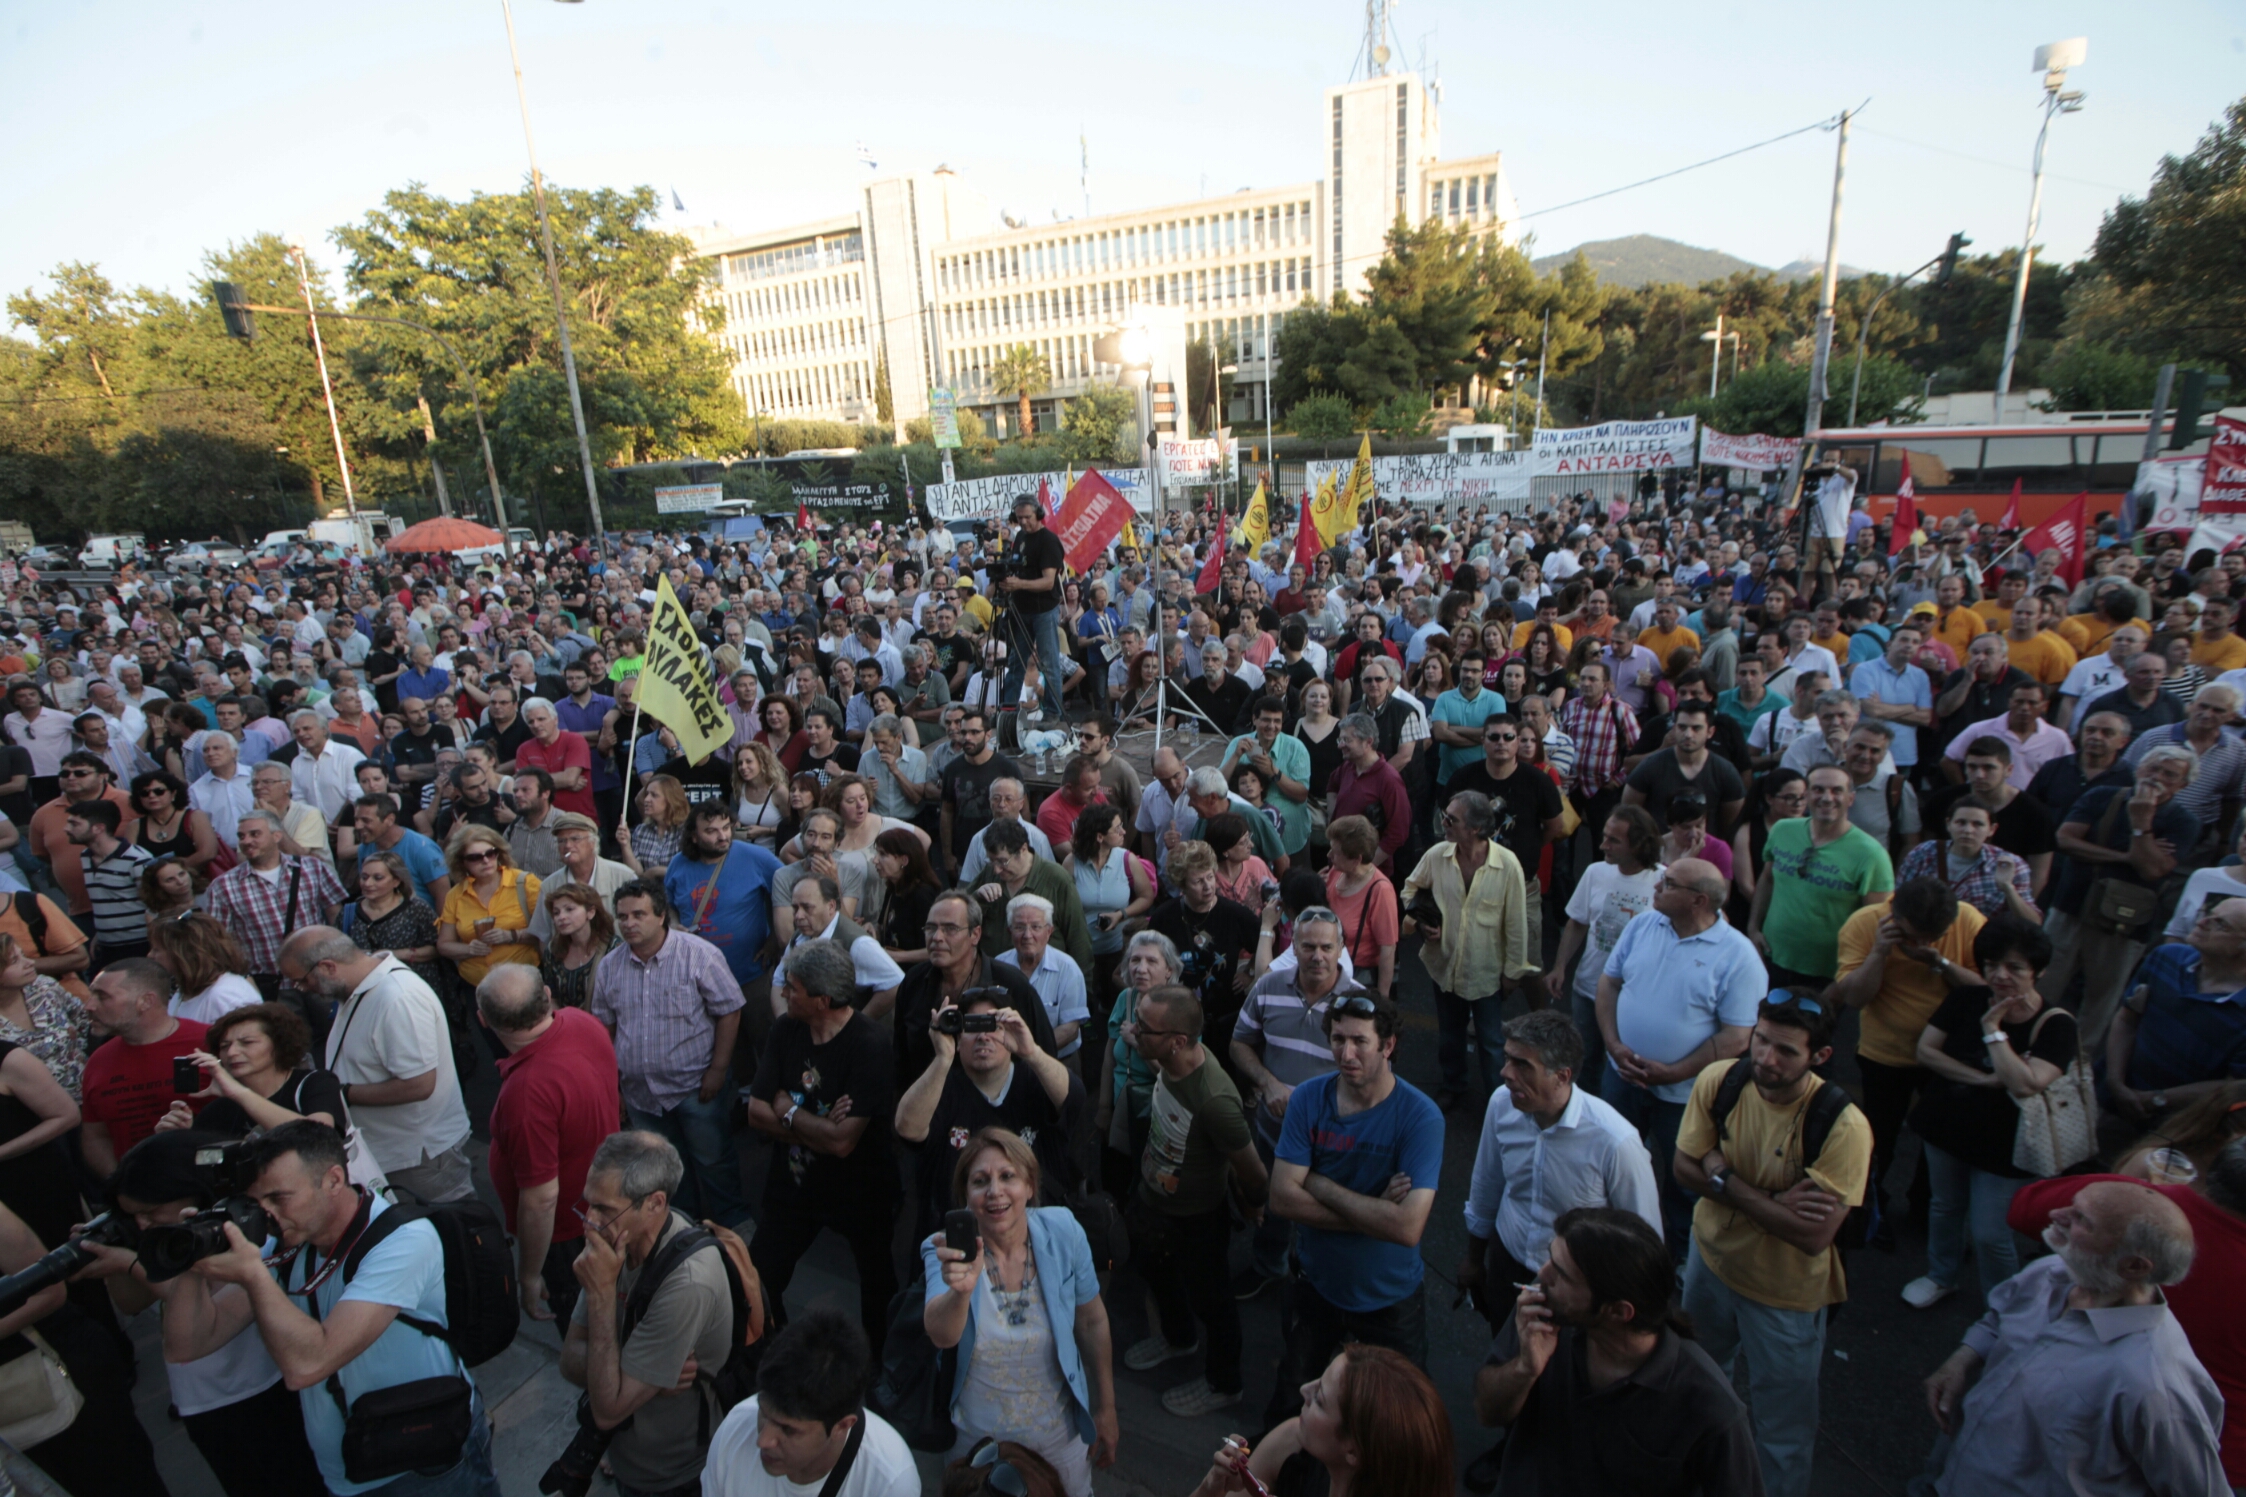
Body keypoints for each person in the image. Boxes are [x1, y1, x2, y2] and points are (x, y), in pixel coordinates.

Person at [161, 1120, 503, 1497]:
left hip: (425, 1461)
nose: (267, 1215)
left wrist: (253, 1275)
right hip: (350, 1467)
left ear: (334, 1180)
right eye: (257, 1202)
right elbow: (189, 1345)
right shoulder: (286, 1243)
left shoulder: (402, 1241)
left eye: (279, 1198)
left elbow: (310, 1364)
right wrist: (192, 1260)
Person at [1670, 995, 1871, 1497]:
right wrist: (1774, 1201)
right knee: (1700, 1392)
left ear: (1820, 1057)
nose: (1764, 1059)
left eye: (1785, 1050)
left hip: (1785, 1301)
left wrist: (1723, 1176)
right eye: (1760, 1041)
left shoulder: (1844, 1128)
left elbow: (1812, 1236)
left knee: (1782, 1434)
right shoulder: (1723, 1080)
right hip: (1709, 1267)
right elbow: (1681, 1168)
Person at [1918, 1181, 2224, 1496]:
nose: (2056, 1214)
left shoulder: (2154, 1387)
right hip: (1948, 1473)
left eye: (2081, 1219)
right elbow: (1999, 1317)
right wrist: (1963, 1359)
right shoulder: (2053, 1271)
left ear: (2134, 1265)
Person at [76, 1131, 329, 1497]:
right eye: (133, 1216)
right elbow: (131, 1304)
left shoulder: (255, 1234)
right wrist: (110, 1258)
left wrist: (132, 1263)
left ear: (193, 1194)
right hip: (202, 1400)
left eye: (150, 1212)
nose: (144, 1225)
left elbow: (206, 1317)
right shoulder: (157, 1235)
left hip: (259, 1390)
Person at [1472, 1207, 1760, 1497]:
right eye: (1551, 1258)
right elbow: (1487, 1412)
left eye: (1561, 1274)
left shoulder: (1709, 1405)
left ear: (1619, 1312)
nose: (1542, 1274)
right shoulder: (1544, 1313)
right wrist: (1525, 1369)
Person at [1263, 994, 1442, 1428]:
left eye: (1360, 1041)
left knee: (1396, 1421)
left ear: (1388, 1045)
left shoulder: (1420, 1117)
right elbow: (1283, 1198)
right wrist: (1373, 1211)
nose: (1346, 1054)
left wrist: (1321, 1185)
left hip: (1389, 1300)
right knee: (1293, 1402)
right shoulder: (1308, 1099)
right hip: (1317, 1285)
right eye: (1338, 1039)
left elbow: (1406, 1227)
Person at [923, 1126, 1119, 1497]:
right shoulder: (945, 1250)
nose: (994, 1191)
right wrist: (961, 1291)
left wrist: (1106, 1407)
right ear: (966, 1196)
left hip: (1058, 1440)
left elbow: (1092, 1321)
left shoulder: (1064, 1231)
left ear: (1030, 1187)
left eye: (1007, 1176)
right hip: (979, 1447)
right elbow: (941, 1334)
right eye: (980, 1181)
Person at [1596, 857, 1763, 1258]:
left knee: (1683, 1183)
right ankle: (1608, 1245)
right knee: (1608, 1165)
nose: (1656, 886)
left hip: (1686, 1098)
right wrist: (1613, 1044)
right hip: (1621, 1078)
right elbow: (1609, 983)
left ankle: (1683, 1263)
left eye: (1668, 883)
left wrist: (1673, 1073)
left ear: (1698, 901)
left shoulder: (1739, 958)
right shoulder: (1642, 925)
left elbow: (1737, 1037)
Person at [561, 1130, 741, 1497]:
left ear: (656, 1204)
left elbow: (608, 1409)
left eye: (605, 1210)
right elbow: (569, 1360)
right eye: (588, 1204)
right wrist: (640, 1373)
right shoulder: (616, 1243)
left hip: (674, 1476)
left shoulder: (690, 1283)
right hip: (629, 1458)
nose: (589, 1222)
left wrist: (600, 1298)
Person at [743, 937, 898, 1348]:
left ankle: (879, 1364)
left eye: (793, 988)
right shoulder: (786, 1029)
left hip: (863, 1192)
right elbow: (756, 1111)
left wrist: (790, 1111)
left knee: (877, 1282)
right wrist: (818, 1127)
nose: (783, 994)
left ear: (822, 1000)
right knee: (759, 1277)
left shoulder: (869, 1044)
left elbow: (844, 1144)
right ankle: (774, 1348)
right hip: (794, 1187)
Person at [280, 927, 475, 1203]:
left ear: (327, 967)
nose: (302, 990)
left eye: (301, 981)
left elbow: (419, 1085)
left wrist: (342, 1093)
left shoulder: (398, 998)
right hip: (394, 1153)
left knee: (450, 1233)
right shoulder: (363, 988)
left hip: (418, 1158)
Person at [594, 880, 748, 1226]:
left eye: (638, 914)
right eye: (622, 917)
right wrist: (614, 1086)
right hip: (640, 1094)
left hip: (694, 1087)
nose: (629, 923)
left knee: (713, 1162)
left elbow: (730, 1010)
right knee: (665, 1170)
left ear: (661, 916)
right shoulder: (610, 966)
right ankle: (682, 1229)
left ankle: (734, 1227)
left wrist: (718, 1069)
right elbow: (605, 1028)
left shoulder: (699, 954)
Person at [477, 964, 618, 1329]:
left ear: (484, 1021)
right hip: (607, 1203)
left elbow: (541, 1199)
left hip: (570, 1236)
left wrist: (529, 1275)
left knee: (587, 1331)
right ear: (547, 996)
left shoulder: (527, 1094)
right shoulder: (580, 1021)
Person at [2042, 744, 2200, 1049]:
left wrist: (2141, 823)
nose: (2156, 777)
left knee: (2103, 997)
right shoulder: (2101, 796)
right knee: (2045, 980)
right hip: (2071, 906)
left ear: (2183, 785)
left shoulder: (2184, 822)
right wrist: (2127, 857)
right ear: (2138, 769)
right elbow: (2065, 839)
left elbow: (2153, 870)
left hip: (2125, 922)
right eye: (2152, 768)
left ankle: (2078, 1059)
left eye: (2169, 774)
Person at [895, 986, 1083, 1239]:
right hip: (962, 1233)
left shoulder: (1034, 1077)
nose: (983, 1036)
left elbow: (1074, 1100)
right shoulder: (941, 1084)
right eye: (972, 1026)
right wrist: (942, 1059)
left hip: (1036, 1233)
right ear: (958, 1037)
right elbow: (907, 1129)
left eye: (993, 1025)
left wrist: (1032, 1052)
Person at [1401, 790, 1534, 1111]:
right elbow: (1410, 889)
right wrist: (1420, 923)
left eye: (1451, 819)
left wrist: (1513, 972)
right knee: (1450, 1035)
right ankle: (1453, 1084)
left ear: (1475, 829)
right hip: (1443, 966)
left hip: (1486, 973)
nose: (1443, 822)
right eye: (1445, 815)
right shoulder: (1436, 855)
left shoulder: (1507, 866)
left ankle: (1498, 1101)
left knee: (1491, 1042)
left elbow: (1516, 923)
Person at [699, 1309, 920, 1497]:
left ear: (842, 1426)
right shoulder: (735, 1428)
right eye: (764, 1413)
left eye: (788, 1430)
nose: (763, 1440)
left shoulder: (890, 1482)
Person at [1192, 1345, 1455, 1497]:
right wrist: (1211, 1489)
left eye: (1319, 1399)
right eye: (1318, 1380)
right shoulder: (1292, 1444)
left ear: (1353, 1450)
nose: (1304, 1389)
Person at [1748, 764, 1894, 992]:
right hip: (1770, 959)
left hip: (1826, 976)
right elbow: (1767, 879)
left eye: (1837, 791)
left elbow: (1875, 924)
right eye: (1818, 790)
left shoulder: (1871, 854)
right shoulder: (1783, 830)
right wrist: (1753, 927)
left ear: (1851, 798)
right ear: (1806, 796)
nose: (1827, 798)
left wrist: (1843, 982)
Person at [1550, 808, 1665, 1092]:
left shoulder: (1664, 881)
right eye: (1604, 837)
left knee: (1625, 1069)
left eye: (1613, 840)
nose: (1603, 846)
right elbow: (1578, 923)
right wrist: (1560, 967)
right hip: (1588, 989)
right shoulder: (1595, 873)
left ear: (1639, 844)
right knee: (1583, 1062)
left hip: (1634, 997)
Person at [2106, 896, 2246, 1128]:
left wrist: (2156, 1099)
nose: (2202, 922)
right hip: (2111, 1100)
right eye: (2208, 913)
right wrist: (2114, 1082)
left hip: (2177, 1130)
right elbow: (2127, 1020)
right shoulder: (2166, 957)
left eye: (2221, 924)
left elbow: (2233, 1087)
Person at [79, 956, 210, 1176]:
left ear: (146, 1001)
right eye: (92, 994)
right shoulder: (98, 1061)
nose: (89, 1006)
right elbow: (95, 1136)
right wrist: (122, 1184)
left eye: (102, 997)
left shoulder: (209, 1043)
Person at [205, 809, 347, 996]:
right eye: (241, 836)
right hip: (271, 985)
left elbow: (336, 915)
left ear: (277, 836)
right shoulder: (223, 886)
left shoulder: (311, 868)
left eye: (255, 834)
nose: (246, 841)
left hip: (319, 977)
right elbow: (220, 940)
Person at [666, 800, 785, 997]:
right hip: (695, 978)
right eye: (711, 831)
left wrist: (775, 939)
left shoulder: (755, 857)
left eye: (726, 828)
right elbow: (668, 905)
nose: (722, 837)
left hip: (750, 976)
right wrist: (674, 924)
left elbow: (789, 891)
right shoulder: (678, 864)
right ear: (694, 837)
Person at [434, 824, 542, 991]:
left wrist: (511, 935)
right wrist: (469, 949)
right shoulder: (455, 894)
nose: (485, 861)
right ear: (462, 862)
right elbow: (444, 945)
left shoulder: (525, 883)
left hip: (523, 981)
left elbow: (547, 931)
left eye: (490, 853)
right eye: (475, 857)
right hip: (477, 985)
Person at [65, 796, 154, 965]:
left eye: (74, 824)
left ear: (98, 828)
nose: (66, 829)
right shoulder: (86, 857)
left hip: (140, 945)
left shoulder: (137, 859)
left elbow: (156, 905)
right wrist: (102, 933)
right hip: (107, 946)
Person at [526, 810, 636, 940]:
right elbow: (543, 937)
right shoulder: (549, 885)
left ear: (593, 842)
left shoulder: (624, 877)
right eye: (561, 841)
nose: (567, 845)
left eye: (575, 839)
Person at [347, 848, 443, 987]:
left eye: (378, 878)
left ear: (396, 880)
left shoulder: (416, 908)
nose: (368, 884)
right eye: (364, 877)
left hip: (410, 986)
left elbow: (438, 948)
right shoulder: (349, 912)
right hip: (366, 987)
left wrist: (396, 954)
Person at [1327, 713, 1410, 873]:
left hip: (1366, 874)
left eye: (1346, 740)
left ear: (1368, 742)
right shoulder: (1348, 767)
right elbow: (1332, 785)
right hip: (1340, 867)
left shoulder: (1389, 779)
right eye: (1340, 740)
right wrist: (1333, 820)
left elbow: (1398, 832)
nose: (1340, 745)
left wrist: (1365, 867)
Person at [149, 908, 262, 1022]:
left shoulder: (225, 996)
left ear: (182, 954)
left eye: (156, 949)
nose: (150, 955)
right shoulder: (184, 991)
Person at [351, 793, 451, 908]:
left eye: (366, 820)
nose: (358, 826)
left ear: (389, 819)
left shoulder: (423, 849)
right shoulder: (365, 849)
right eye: (356, 820)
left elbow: (443, 897)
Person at [622, 773, 690, 877]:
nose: (646, 799)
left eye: (654, 795)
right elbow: (637, 874)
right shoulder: (641, 830)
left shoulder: (687, 831)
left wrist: (656, 872)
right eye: (647, 794)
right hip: (648, 891)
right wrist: (625, 845)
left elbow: (689, 872)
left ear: (670, 799)